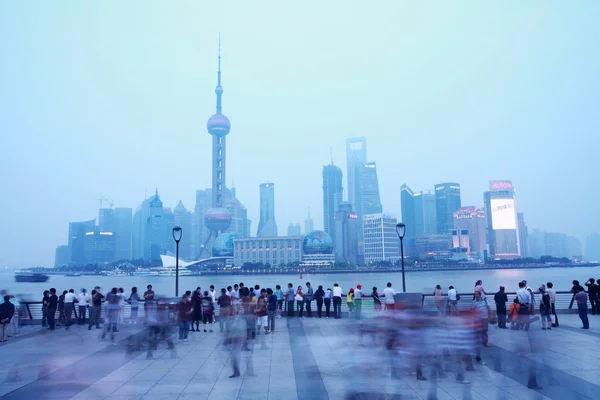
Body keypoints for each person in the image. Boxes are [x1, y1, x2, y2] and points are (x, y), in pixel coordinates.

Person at [471, 291, 491, 355]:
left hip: (485, 318)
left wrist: (491, 315)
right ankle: (477, 343)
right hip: (477, 319)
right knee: (477, 332)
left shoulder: (485, 300)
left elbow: (489, 307)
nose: (475, 296)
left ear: (479, 295)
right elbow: (472, 310)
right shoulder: (474, 302)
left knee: (484, 331)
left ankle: (485, 343)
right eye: (475, 295)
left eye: (476, 295)